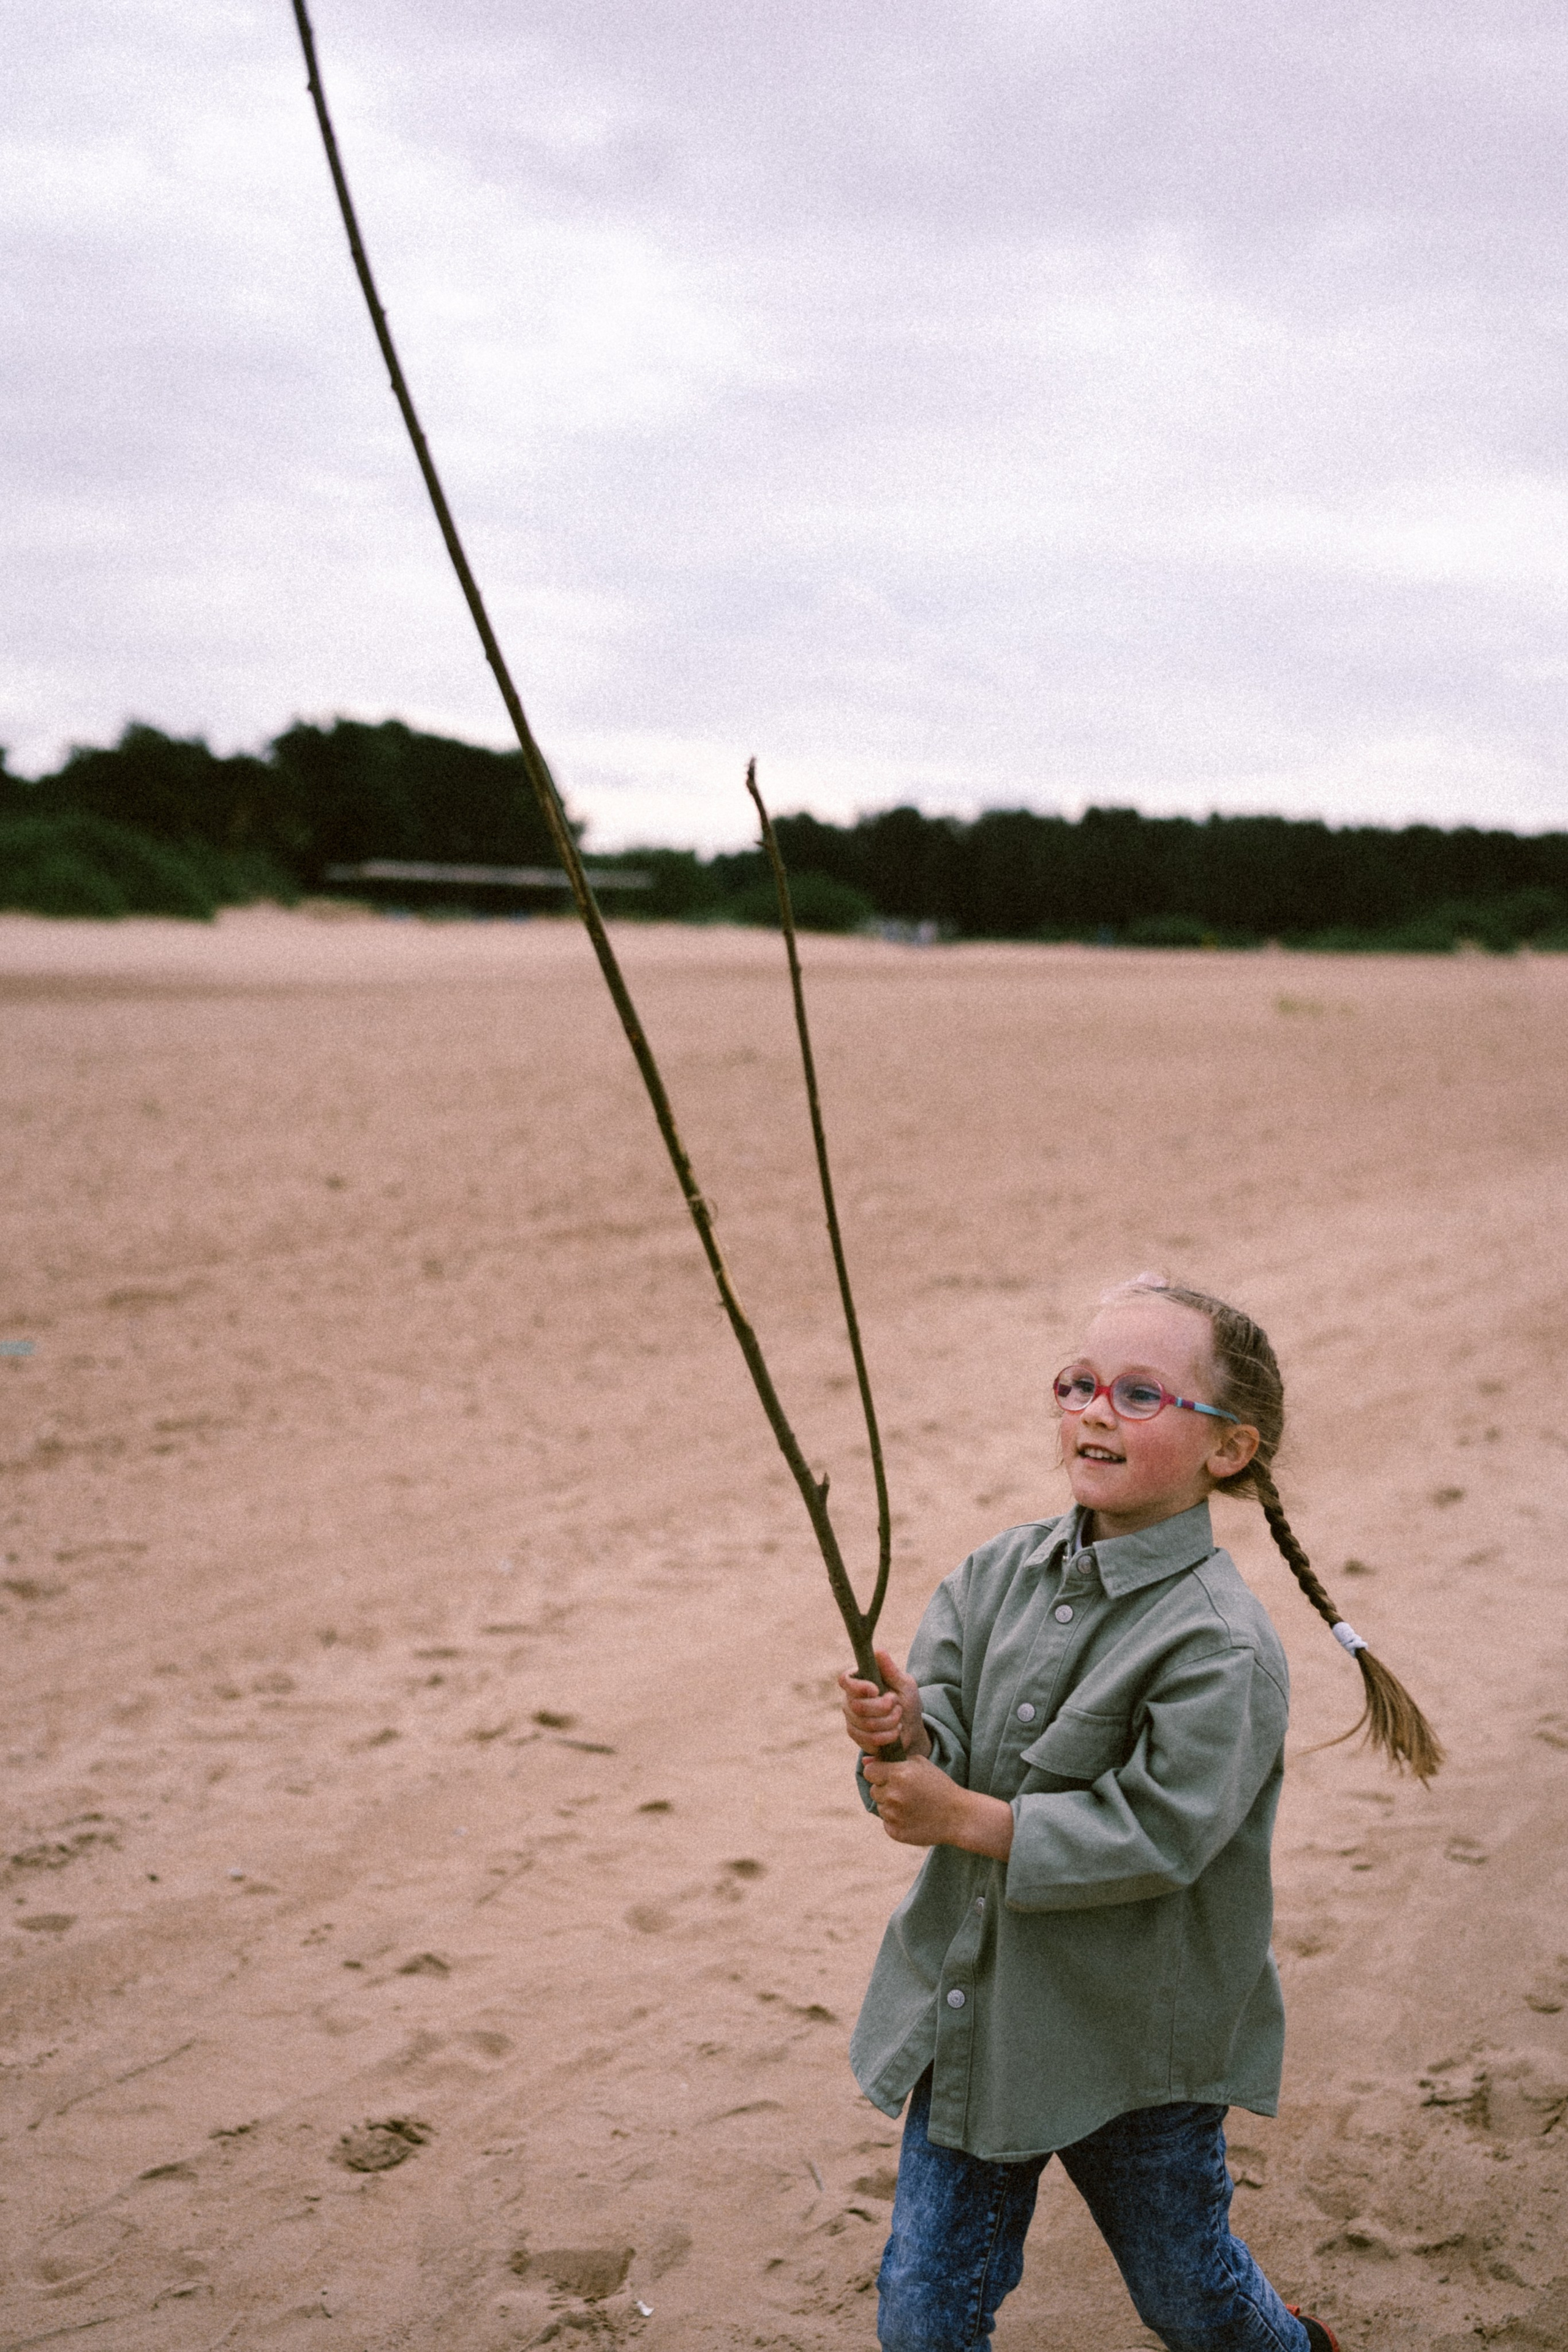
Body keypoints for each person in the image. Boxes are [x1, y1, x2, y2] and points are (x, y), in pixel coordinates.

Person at [839, 1275, 1440, 2352]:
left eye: (1141, 1393)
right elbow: (939, 1768)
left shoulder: (1221, 1644)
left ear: (1230, 1448)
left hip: (1140, 2043)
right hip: (980, 2015)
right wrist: (904, 1739)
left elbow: (1161, 1835)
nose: (1095, 1409)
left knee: (1188, 2294)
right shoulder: (993, 1574)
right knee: (924, 2315)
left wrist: (964, 1817)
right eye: (1080, 1383)